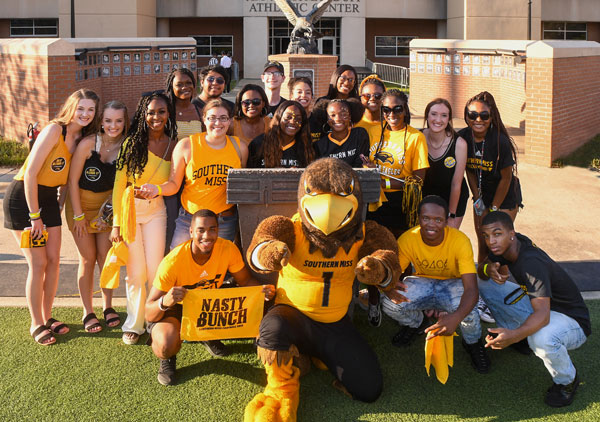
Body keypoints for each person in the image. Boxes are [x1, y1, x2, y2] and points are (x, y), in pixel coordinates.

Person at [3, 88, 100, 345]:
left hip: (48, 201)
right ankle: (36, 323)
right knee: (38, 264)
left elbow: (69, 177)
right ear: (71, 107)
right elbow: (32, 173)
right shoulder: (55, 130)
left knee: (54, 261)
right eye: (81, 109)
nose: (85, 114)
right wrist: (35, 216)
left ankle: (47, 317)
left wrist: (59, 201)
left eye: (91, 110)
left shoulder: (83, 139)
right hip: (24, 199)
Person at [145, 209, 276, 385]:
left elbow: (245, 282)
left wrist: (263, 292)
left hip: (206, 305)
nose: (207, 235)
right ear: (191, 231)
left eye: (212, 229)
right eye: (201, 230)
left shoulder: (227, 248)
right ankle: (168, 359)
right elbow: (148, 312)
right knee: (165, 344)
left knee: (265, 304)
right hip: (178, 307)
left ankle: (207, 334)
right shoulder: (173, 262)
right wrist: (165, 301)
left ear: (218, 230)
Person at [478, 211, 590, 407]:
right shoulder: (511, 244)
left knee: (541, 338)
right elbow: (483, 268)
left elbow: (542, 315)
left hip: (571, 321)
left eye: (497, 234)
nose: (491, 241)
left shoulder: (531, 263)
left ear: (511, 233)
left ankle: (567, 381)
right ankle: (518, 337)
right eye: (486, 236)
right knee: (482, 280)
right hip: (542, 306)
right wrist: (489, 269)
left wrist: (514, 334)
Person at [379, 195, 490, 373]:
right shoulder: (408, 238)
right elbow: (394, 273)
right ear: (419, 218)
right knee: (390, 303)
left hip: (452, 283)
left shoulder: (460, 241)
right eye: (426, 218)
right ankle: (417, 323)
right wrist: (390, 286)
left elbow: (471, 289)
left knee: (469, 310)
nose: (431, 224)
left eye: (438, 220)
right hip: (421, 281)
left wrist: (456, 316)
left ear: (446, 221)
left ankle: (473, 343)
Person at [111, 91, 177, 345]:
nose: (156, 117)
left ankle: (153, 319)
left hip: (157, 211)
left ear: (168, 114)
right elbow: (119, 186)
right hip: (130, 213)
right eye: (150, 112)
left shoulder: (173, 145)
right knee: (136, 273)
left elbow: (173, 182)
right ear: (143, 114)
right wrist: (116, 222)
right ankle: (134, 324)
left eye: (161, 111)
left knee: (155, 269)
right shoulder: (131, 144)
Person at [140, 99, 247, 249]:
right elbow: (174, 184)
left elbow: (243, 187)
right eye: (212, 118)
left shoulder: (239, 147)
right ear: (204, 119)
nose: (218, 123)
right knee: (177, 262)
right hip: (190, 218)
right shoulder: (187, 145)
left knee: (218, 266)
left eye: (223, 118)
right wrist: (156, 189)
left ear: (229, 121)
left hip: (223, 220)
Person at [361, 89, 429, 327]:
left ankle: (402, 303)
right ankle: (373, 301)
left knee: (401, 257)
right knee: (372, 252)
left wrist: (382, 179)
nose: (391, 114)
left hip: (402, 205)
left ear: (405, 109)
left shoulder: (415, 137)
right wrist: (371, 172)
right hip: (374, 203)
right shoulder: (372, 132)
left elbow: (418, 180)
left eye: (397, 109)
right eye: (386, 109)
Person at [459, 91, 522, 324]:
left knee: (499, 245)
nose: (478, 120)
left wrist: (493, 209)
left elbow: (506, 178)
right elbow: (468, 170)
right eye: (472, 114)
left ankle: (504, 297)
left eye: (483, 115)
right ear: (466, 116)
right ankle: (481, 295)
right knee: (483, 243)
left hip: (504, 198)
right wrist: (478, 200)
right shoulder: (462, 137)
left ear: (491, 117)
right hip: (482, 198)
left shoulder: (500, 141)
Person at [66, 100, 128, 333]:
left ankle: (108, 307)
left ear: (125, 122)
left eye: (119, 121)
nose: (113, 126)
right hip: (79, 206)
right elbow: (72, 181)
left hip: (106, 208)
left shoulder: (126, 146)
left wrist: (109, 215)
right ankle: (87, 310)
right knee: (87, 258)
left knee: (106, 257)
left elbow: (123, 185)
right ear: (101, 121)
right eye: (108, 120)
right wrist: (79, 216)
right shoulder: (88, 144)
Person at [164, 68, 203, 253]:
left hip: (194, 178)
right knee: (171, 222)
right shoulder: (165, 111)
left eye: (188, 83)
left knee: (193, 223)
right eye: (179, 84)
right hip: (170, 175)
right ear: (171, 87)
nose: (184, 87)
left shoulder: (199, 110)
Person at [421, 98, 468, 229]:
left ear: (449, 119)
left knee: (447, 237)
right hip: (426, 196)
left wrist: (451, 215)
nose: (438, 120)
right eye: (434, 114)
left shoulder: (459, 144)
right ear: (427, 116)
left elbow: (456, 183)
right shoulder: (417, 138)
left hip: (452, 197)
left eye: (444, 115)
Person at [247, 100, 315, 168]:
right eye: (288, 117)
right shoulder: (258, 144)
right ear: (279, 118)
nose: (293, 122)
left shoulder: (306, 147)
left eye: (298, 119)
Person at [313, 99, 369, 168]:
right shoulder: (320, 145)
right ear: (327, 118)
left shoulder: (359, 135)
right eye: (333, 115)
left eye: (343, 114)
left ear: (350, 116)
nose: (338, 119)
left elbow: (361, 163)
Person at [288, 76, 321, 142]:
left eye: (308, 92)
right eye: (299, 92)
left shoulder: (318, 121)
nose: (304, 95)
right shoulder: (287, 121)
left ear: (312, 96)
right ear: (291, 95)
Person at [356, 74, 386, 146]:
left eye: (378, 96)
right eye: (367, 96)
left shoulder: (391, 124)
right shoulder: (354, 123)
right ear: (360, 98)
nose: (372, 99)